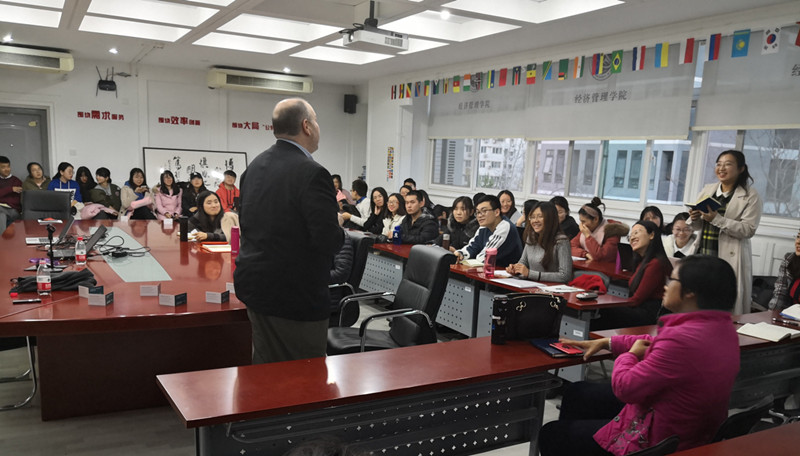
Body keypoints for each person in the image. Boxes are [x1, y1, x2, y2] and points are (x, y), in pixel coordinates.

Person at [539, 255, 740, 456]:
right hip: (690, 427)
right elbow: (655, 342)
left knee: (553, 434)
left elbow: (624, 388)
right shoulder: (722, 328)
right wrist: (608, 342)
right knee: (578, 393)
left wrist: (630, 355)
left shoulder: (681, 340)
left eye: (672, 280)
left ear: (690, 292)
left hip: (661, 440)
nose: (666, 286)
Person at [234, 98, 343, 364]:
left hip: (256, 287)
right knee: (303, 376)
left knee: (265, 368)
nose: (317, 126)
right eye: (316, 120)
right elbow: (328, 240)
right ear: (306, 126)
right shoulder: (313, 173)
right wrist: (338, 226)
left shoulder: (254, 167)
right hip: (295, 296)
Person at [689, 149, 762, 315]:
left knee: (722, 304)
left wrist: (717, 219)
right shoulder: (708, 190)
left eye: (728, 164)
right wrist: (694, 218)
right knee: (699, 302)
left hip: (728, 257)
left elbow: (748, 230)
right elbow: (698, 226)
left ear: (741, 169)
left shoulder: (750, 195)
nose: (721, 168)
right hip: (704, 253)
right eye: (719, 164)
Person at [592, 220, 672, 330]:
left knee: (603, 311)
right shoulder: (642, 261)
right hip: (640, 308)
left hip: (649, 313)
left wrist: (607, 300)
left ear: (652, 235)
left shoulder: (655, 263)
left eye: (637, 232)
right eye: (631, 235)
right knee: (599, 310)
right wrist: (604, 297)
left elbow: (636, 300)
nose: (632, 237)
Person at [507, 201, 572, 283]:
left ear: (550, 218)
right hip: (530, 284)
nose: (535, 220)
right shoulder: (531, 237)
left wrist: (530, 274)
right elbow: (523, 261)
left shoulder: (561, 241)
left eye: (540, 216)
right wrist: (516, 269)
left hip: (550, 288)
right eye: (532, 217)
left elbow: (565, 275)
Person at [455, 195, 523, 268]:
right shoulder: (484, 226)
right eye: (477, 212)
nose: (479, 216)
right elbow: (473, 246)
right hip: (489, 270)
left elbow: (485, 257)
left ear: (496, 212)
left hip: (506, 272)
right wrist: (460, 254)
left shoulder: (505, 227)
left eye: (484, 211)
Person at [570, 197, 628, 262]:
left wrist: (588, 236)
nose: (581, 225)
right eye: (581, 221)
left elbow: (601, 256)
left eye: (583, 221)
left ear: (596, 219)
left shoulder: (612, 231)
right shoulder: (586, 228)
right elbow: (570, 247)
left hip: (605, 267)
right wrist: (585, 254)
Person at [769, 228, 800, 310]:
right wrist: (771, 313)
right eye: (798, 236)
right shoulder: (789, 259)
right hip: (790, 314)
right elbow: (780, 293)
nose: (798, 242)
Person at [0, 156, 23, 231]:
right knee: (1, 215)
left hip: (13, 210)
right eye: (3, 167)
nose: (6, 169)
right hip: (2, 210)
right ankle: (3, 237)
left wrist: (3, 197)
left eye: (8, 167)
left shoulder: (17, 181)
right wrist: (11, 189)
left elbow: (17, 201)